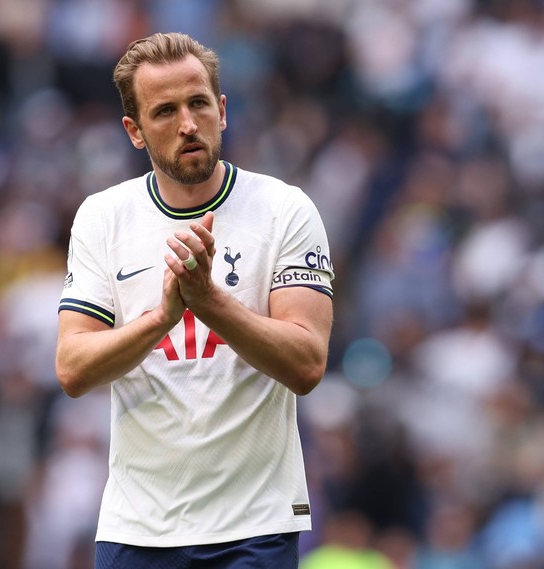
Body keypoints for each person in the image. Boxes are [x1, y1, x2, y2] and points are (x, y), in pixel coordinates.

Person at [55, 31, 335, 569]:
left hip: (255, 525)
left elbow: (307, 363)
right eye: (164, 112)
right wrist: (162, 317)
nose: (187, 124)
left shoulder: (285, 210)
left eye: (198, 104)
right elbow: (73, 368)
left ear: (222, 111)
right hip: (137, 528)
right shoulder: (103, 217)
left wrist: (208, 302)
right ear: (134, 132)